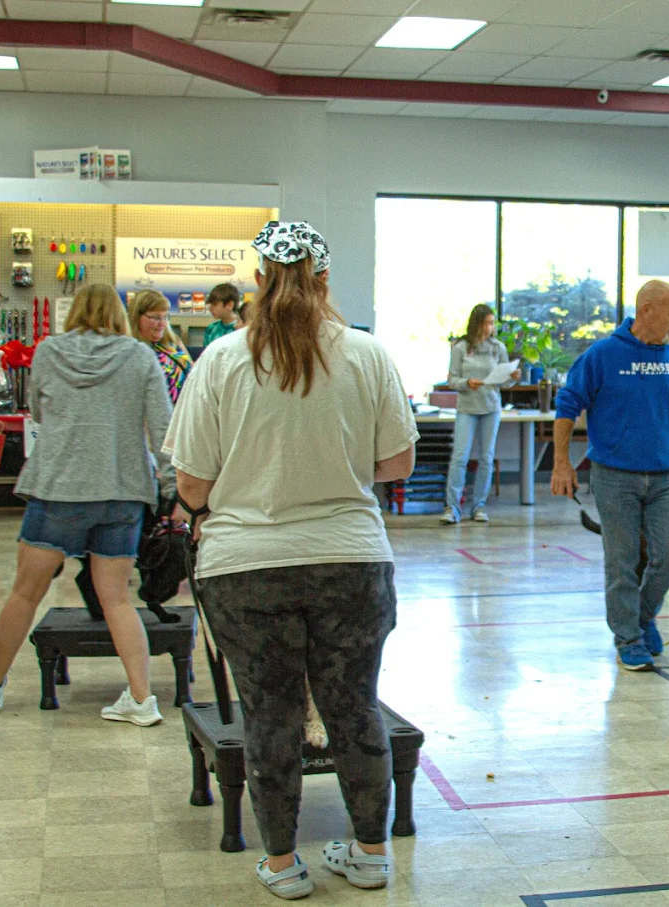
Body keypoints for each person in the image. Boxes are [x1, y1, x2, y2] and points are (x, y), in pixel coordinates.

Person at [164, 221, 418, 898]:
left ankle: (282, 864)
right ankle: (369, 854)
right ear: (325, 279)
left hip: (244, 566)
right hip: (352, 561)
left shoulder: (219, 360)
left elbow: (190, 485)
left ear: (256, 281)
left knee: (269, 714)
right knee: (355, 708)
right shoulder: (367, 355)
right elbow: (397, 461)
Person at [0, 284, 173, 725]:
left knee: (25, 592)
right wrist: (171, 488)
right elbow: (163, 429)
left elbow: (38, 412)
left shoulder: (48, 352)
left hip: (58, 487)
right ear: (120, 314)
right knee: (117, 600)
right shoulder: (141, 357)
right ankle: (142, 700)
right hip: (122, 491)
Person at [550, 280, 669, 672]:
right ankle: (628, 638)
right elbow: (568, 405)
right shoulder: (603, 355)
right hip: (614, 477)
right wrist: (562, 462)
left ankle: (642, 617)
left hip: (667, 478)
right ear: (646, 309)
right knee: (622, 560)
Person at [443, 303, 519, 524]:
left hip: (491, 408)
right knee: (460, 457)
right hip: (467, 407)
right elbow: (452, 380)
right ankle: (452, 507)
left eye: (492, 323)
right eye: (486, 323)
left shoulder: (498, 348)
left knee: (486, 458)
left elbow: (503, 384)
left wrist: (512, 378)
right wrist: (467, 383)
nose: (489, 327)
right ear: (476, 323)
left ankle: (479, 506)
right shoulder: (460, 347)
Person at [129, 289, 192, 402]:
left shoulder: (173, 341)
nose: (162, 324)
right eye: (156, 318)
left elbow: (193, 371)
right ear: (138, 318)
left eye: (165, 317)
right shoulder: (131, 351)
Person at [202, 283, 241, 347]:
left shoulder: (241, 329)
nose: (210, 308)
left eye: (214, 304)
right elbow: (206, 355)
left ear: (230, 305)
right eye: (210, 304)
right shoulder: (211, 329)